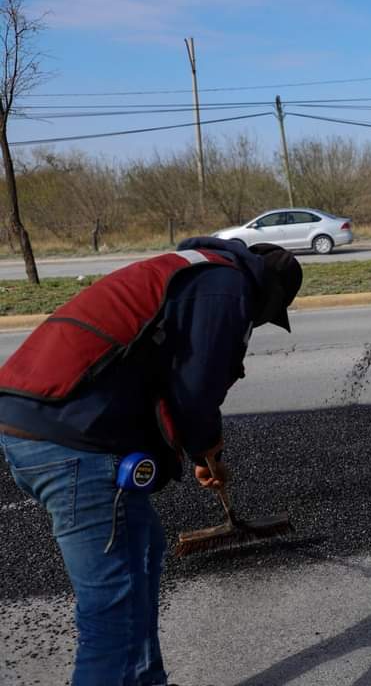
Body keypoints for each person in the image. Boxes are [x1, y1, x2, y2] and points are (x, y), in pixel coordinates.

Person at [0, 237, 302, 686]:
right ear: (270, 294)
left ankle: (146, 680)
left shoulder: (192, 269)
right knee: (110, 616)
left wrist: (200, 450)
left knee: (143, 550)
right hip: (75, 440)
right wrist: (208, 449)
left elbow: (164, 368)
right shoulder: (228, 287)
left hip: (37, 420)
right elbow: (197, 390)